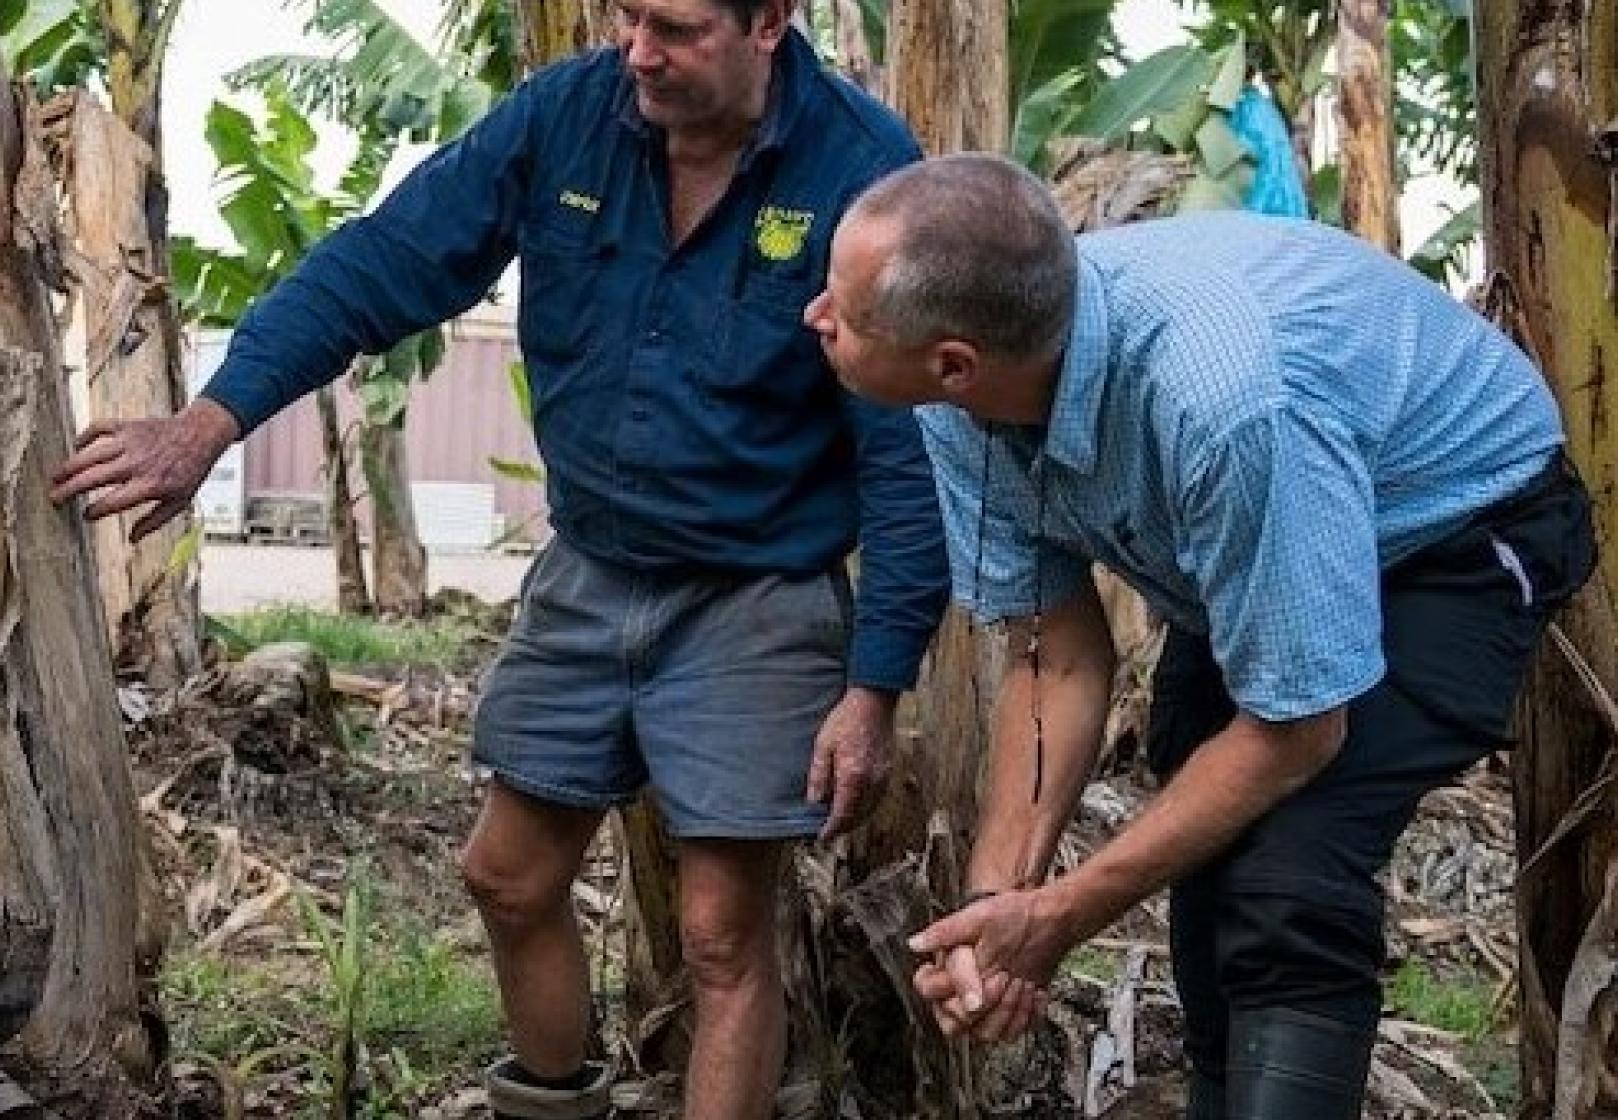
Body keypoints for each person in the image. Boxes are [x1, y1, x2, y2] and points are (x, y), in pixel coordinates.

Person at [49, 2, 946, 1116]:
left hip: (756, 594)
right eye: (627, 17)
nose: (637, 52)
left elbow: (909, 455)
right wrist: (211, 423)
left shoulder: (865, 171)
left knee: (722, 933)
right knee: (507, 877)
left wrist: (874, 688)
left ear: (768, 21)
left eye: (672, 27)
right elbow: (384, 261)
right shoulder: (567, 116)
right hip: (590, 569)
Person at [805, 153, 1596, 1119]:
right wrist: (991, 916)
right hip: (1266, 531)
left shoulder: (1220, 401)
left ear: (954, 359)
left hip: (1455, 532)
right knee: (1207, 847)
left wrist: (1058, 918)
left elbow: (1300, 730)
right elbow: (1053, 659)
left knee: (1290, 875)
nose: (815, 315)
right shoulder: (957, 404)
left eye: (845, 308)